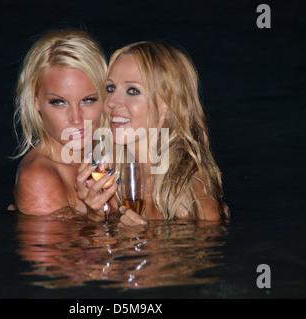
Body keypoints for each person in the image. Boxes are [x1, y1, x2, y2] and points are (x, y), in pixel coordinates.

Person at [75, 41, 229, 225]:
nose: (111, 102)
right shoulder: (112, 178)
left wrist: (143, 238)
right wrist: (97, 215)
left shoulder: (186, 189)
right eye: (110, 88)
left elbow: (207, 248)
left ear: (169, 104)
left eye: (132, 91)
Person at [10, 29, 117, 215]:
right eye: (59, 102)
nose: (76, 119)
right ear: (36, 101)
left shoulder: (113, 152)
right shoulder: (39, 178)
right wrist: (95, 217)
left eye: (88, 100)